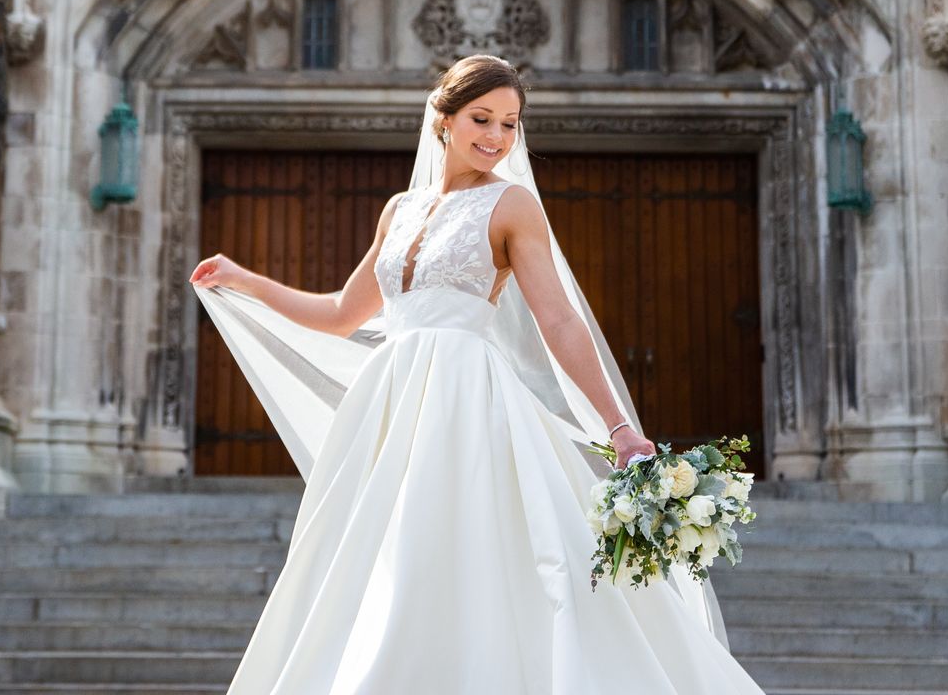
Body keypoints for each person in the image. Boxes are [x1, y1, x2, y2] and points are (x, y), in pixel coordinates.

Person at [189, 53, 767, 694]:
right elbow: (338, 314)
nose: (496, 137)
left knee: (452, 549)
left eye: (511, 124)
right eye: (481, 118)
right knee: (378, 555)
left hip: (467, 399)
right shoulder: (398, 209)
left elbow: (560, 322)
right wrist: (243, 280)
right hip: (389, 404)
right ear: (443, 119)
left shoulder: (513, 204)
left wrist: (621, 428)